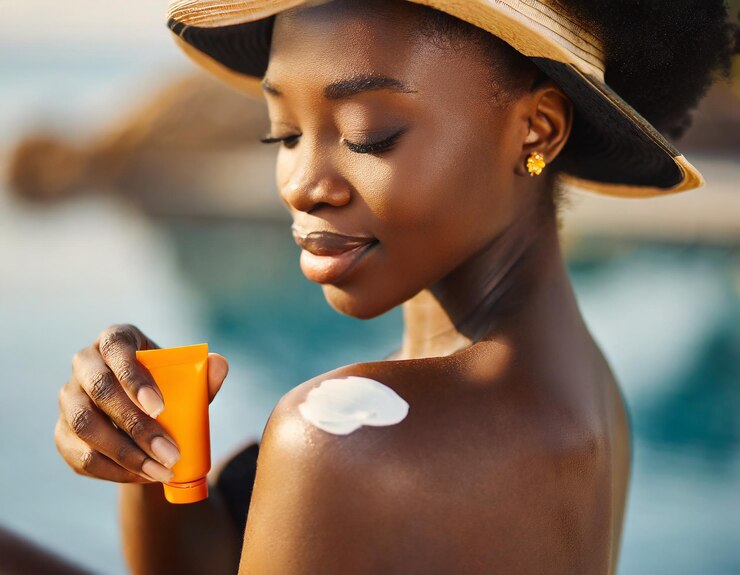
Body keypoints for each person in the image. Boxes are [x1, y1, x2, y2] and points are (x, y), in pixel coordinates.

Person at [53, 0, 734, 573]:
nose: (302, 184)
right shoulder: (578, 386)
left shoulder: (345, 438)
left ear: (538, 128)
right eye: (284, 134)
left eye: (368, 135)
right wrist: (154, 453)